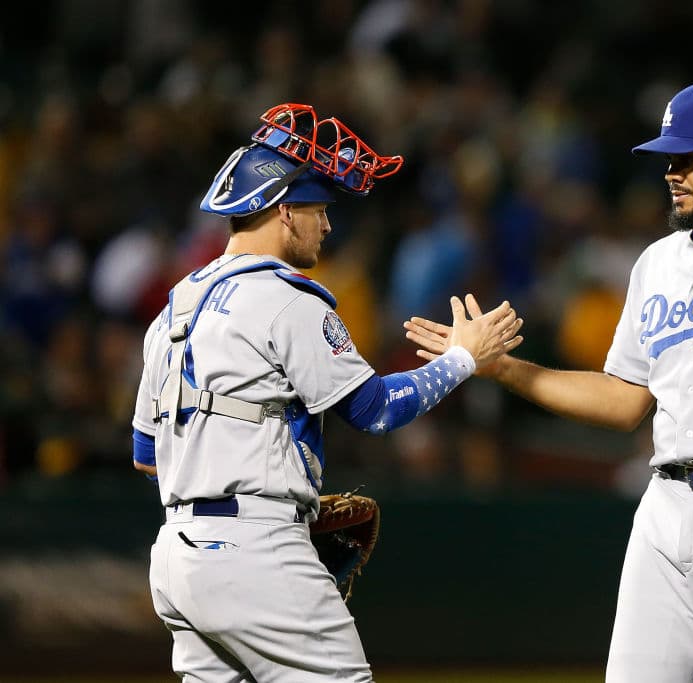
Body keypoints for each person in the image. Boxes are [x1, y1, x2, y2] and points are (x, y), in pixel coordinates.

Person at [404, 79, 693, 682]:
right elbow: (624, 399)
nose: (672, 173)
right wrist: (501, 367)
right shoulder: (657, 264)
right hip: (664, 507)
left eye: (689, 157)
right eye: (668, 159)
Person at [130, 103, 522, 682]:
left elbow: (147, 457)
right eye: (319, 210)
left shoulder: (173, 311)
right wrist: (464, 358)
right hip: (254, 553)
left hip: (176, 559)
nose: (328, 226)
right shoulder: (286, 299)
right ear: (285, 211)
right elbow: (375, 410)